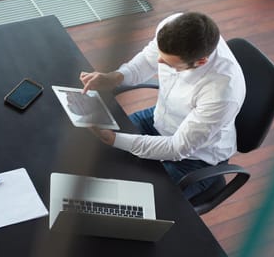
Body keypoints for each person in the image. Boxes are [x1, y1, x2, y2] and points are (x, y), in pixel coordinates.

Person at [80, 12, 246, 199]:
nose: (159, 61)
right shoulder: (172, 26)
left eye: (169, 63)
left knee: (132, 198)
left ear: (200, 62)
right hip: (160, 118)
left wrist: (113, 139)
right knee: (93, 152)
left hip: (195, 158)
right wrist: (114, 78)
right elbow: (146, 61)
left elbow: (177, 148)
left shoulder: (221, 93)